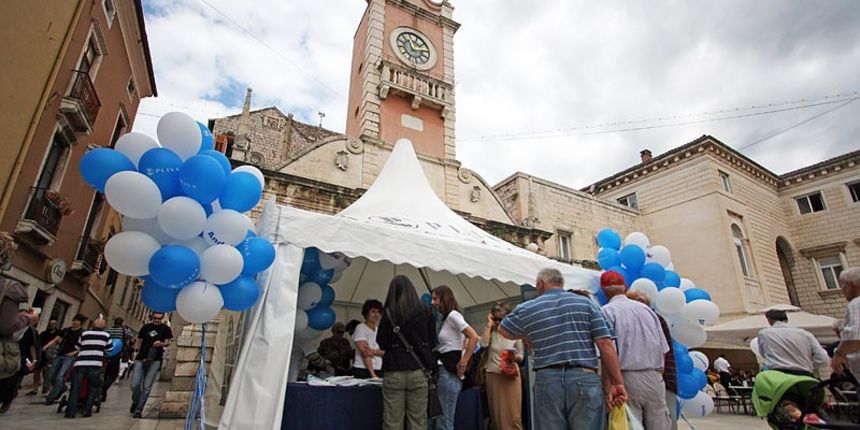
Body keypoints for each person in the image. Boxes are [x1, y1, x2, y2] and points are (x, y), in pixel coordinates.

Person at [499, 268, 626, 430]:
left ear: (540, 284)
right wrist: (617, 383)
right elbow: (606, 345)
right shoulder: (586, 304)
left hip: (547, 379)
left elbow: (504, 329)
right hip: (584, 377)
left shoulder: (528, 308)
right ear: (561, 283)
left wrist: (525, 336)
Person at [600, 271, 671, 429]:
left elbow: (608, 351)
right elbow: (663, 349)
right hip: (654, 376)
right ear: (624, 287)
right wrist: (658, 374)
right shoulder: (647, 311)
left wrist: (608, 386)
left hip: (626, 377)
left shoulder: (606, 311)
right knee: (659, 424)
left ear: (603, 290)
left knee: (631, 424)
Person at [376, 275, 438, 430]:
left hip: (394, 370)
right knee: (418, 421)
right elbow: (433, 341)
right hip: (419, 370)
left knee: (392, 421)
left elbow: (381, 342)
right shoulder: (426, 310)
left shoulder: (389, 313)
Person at [430, 285, 479, 430]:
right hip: (443, 371)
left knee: (444, 420)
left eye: (435, 298)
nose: (433, 302)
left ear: (444, 298)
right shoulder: (445, 319)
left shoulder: (453, 316)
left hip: (449, 372)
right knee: (439, 419)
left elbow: (474, 336)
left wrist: (464, 361)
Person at [628, 289, 678, 430]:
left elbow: (661, 350)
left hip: (661, 379)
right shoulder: (653, 318)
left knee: (660, 421)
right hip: (659, 378)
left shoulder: (653, 318)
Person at [480, 302, 524, 430]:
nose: (498, 322)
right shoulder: (492, 332)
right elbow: (483, 344)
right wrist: (489, 325)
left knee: (514, 414)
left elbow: (521, 355)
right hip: (493, 374)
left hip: (511, 375)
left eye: (501, 319)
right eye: (496, 319)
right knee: (497, 415)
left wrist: (515, 357)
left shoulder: (515, 333)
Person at [756, 309, 829, 377]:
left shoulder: (764, 333)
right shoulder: (805, 334)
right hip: (804, 375)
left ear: (769, 320)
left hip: (778, 376)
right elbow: (823, 358)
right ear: (786, 320)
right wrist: (808, 365)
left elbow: (763, 354)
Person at [64, 317, 112, 418]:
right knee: (93, 387)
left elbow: (78, 347)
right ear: (104, 326)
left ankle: (70, 412)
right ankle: (87, 410)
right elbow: (109, 349)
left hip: (81, 363)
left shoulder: (84, 333)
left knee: (75, 387)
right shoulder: (106, 335)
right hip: (95, 364)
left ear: (93, 325)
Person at [130, 311, 173, 418]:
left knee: (147, 386)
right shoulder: (146, 327)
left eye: (159, 318)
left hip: (155, 359)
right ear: (152, 317)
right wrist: (136, 353)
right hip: (141, 358)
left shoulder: (165, 329)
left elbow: (167, 342)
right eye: (155, 318)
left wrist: (161, 343)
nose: (157, 320)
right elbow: (139, 341)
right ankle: (136, 401)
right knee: (135, 384)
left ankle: (139, 409)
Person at [0, 309, 38, 413]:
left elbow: (32, 347)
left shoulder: (29, 330)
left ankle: (8, 400)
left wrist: (33, 361)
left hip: (21, 357)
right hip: (6, 354)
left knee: (14, 380)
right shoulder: (8, 326)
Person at [44, 314, 87, 404]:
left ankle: (51, 397)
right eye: (74, 320)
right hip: (60, 354)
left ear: (81, 323)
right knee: (51, 375)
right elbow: (56, 339)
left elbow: (83, 346)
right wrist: (47, 346)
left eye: (77, 321)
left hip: (70, 357)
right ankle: (62, 387)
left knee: (60, 376)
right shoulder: (66, 330)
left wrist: (74, 353)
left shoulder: (82, 333)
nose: (75, 322)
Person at [832, 268, 860, 400]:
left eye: (842, 285)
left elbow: (855, 335)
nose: (842, 290)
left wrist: (839, 354)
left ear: (851, 285)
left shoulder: (856, 303)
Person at [352, 299, 384, 379]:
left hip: (378, 368)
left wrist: (372, 351)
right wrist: (373, 374)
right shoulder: (360, 328)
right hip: (363, 369)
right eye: (373, 311)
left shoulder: (379, 330)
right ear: (366, 313)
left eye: (378, 312)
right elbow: (365, 352)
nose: (376, 315)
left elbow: (385, 352)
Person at [102, 317, 131, 400]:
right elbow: (130, 336)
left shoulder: (108, 330)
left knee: (106, 373)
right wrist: (125, 328)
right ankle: (104, 387)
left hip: (107, 353)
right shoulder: (123, 331)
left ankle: (103, 389)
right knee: (114, 374)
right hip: (117, 354)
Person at [33, 318, 59, 395]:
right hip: (42, 354)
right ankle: (35, 389)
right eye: (51, 324)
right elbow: (38, 342)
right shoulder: (44, 333)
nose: (52, 325)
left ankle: (46, 387)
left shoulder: (58, 334)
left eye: (54, 324)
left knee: (47, 372)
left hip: (51, 355)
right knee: (37, 371)